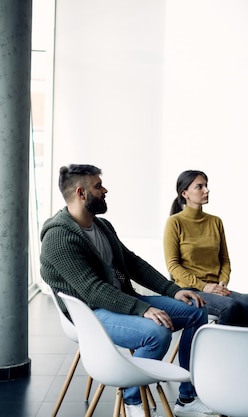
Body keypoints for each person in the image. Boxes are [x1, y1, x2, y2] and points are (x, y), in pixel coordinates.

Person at [40, 165, 216, 417]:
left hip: (121, 299)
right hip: (91, 313)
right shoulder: (59, 238)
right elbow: (93, 290)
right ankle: (132, 401)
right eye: (98, 186)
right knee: (157, 334)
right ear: (81, 193)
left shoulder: (102, 226)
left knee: (195, 310)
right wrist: (142, 309)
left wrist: (173, 290)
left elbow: (131, 262)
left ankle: (187, 399)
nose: (105, 190)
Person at [164, 170, 248, 327]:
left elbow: (224, 259)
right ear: (185, 193)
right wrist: (204, 286)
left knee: (247, 304)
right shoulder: (175, 222)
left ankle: (241, 351)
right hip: (190, 289)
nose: (206, 190)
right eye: (200, 187)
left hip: (215, 287)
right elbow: (173, 265)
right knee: (229, 307)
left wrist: (222, 282)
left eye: (206, 186)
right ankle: (219, 350)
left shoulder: (215, 222)